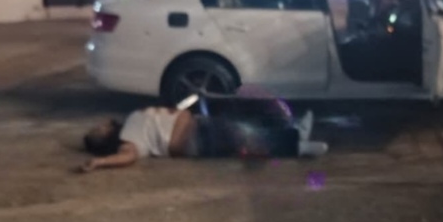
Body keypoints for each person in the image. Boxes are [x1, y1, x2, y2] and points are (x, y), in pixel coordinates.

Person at [78, 96, 326, 172]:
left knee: (247, 131)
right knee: (247, 137)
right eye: (97, 132)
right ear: (105, 140)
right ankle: (298, 144)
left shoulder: (130, 121)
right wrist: (99, 162)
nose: (100, 126)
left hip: (198, 127)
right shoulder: (128, 140)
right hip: (194, 138)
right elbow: (127, 157)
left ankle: (295, 134)